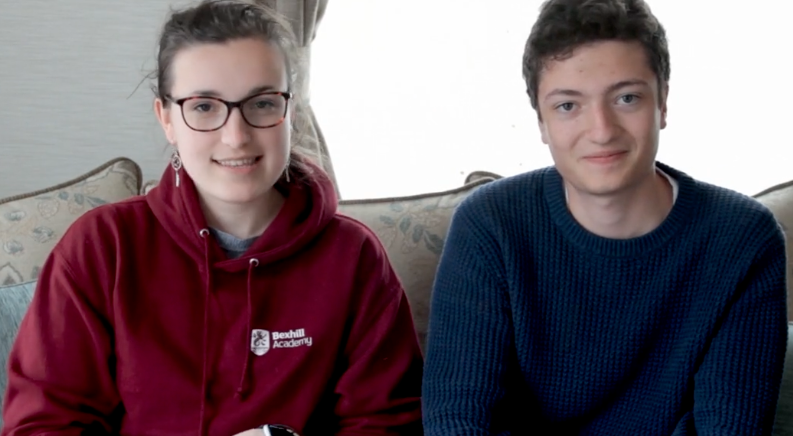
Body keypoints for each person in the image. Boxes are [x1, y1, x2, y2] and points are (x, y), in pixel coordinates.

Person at [1, 1, 423, 435]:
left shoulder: (353, 256)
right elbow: (43, 423)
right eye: (204, 107)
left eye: (262, 103)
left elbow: (388, 422)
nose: (236, 137)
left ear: (290, 112)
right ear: (166, 118)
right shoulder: (102, 246)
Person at [422, 0, 788, 434]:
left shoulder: (742, 240)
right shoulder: (490, 226)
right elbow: (458, 421)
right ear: (540, 121)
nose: (601, 130)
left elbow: (730, 429)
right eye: (567, 106)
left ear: (663, 103)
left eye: (626, 97)